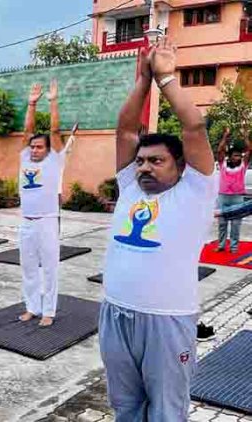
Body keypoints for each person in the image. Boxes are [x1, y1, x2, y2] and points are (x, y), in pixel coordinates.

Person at [100, 38, 217, 420]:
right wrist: (141, 81)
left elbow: (195, 128)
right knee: (126, 407)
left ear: (180, 166)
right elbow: (124, 131)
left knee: (167, 410)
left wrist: (165, 78)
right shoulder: (130, 188)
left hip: (166, 320)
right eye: (142, 161)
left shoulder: (195, 191)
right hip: (115, 314)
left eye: (157, 161)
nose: (145, 167)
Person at [17, 79, 64, 327]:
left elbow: (55, 132)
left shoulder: (54, 161)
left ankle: (49, 311)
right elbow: (27, 132)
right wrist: (31, 104)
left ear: (48, 150)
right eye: (33, 146)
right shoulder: (25, 158)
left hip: (47, 221)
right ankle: (32, 307)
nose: (34, 150)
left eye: (39, 147)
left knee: (49, 268)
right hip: (26, 221)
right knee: (28, 268)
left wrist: (53, 101)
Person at [216, 127, 250, 253]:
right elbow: (220, 150)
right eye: (235, 155)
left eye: (239, 156)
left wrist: (245, 136)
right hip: (223, 197)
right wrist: (225, 136)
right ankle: (221, 245)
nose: (239, 157)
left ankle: (234, 247)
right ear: (229, 157)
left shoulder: (242, 165)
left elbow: (249, 150)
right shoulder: (223, 164)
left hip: (237, 198)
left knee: (236, 224)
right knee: (222, 224)